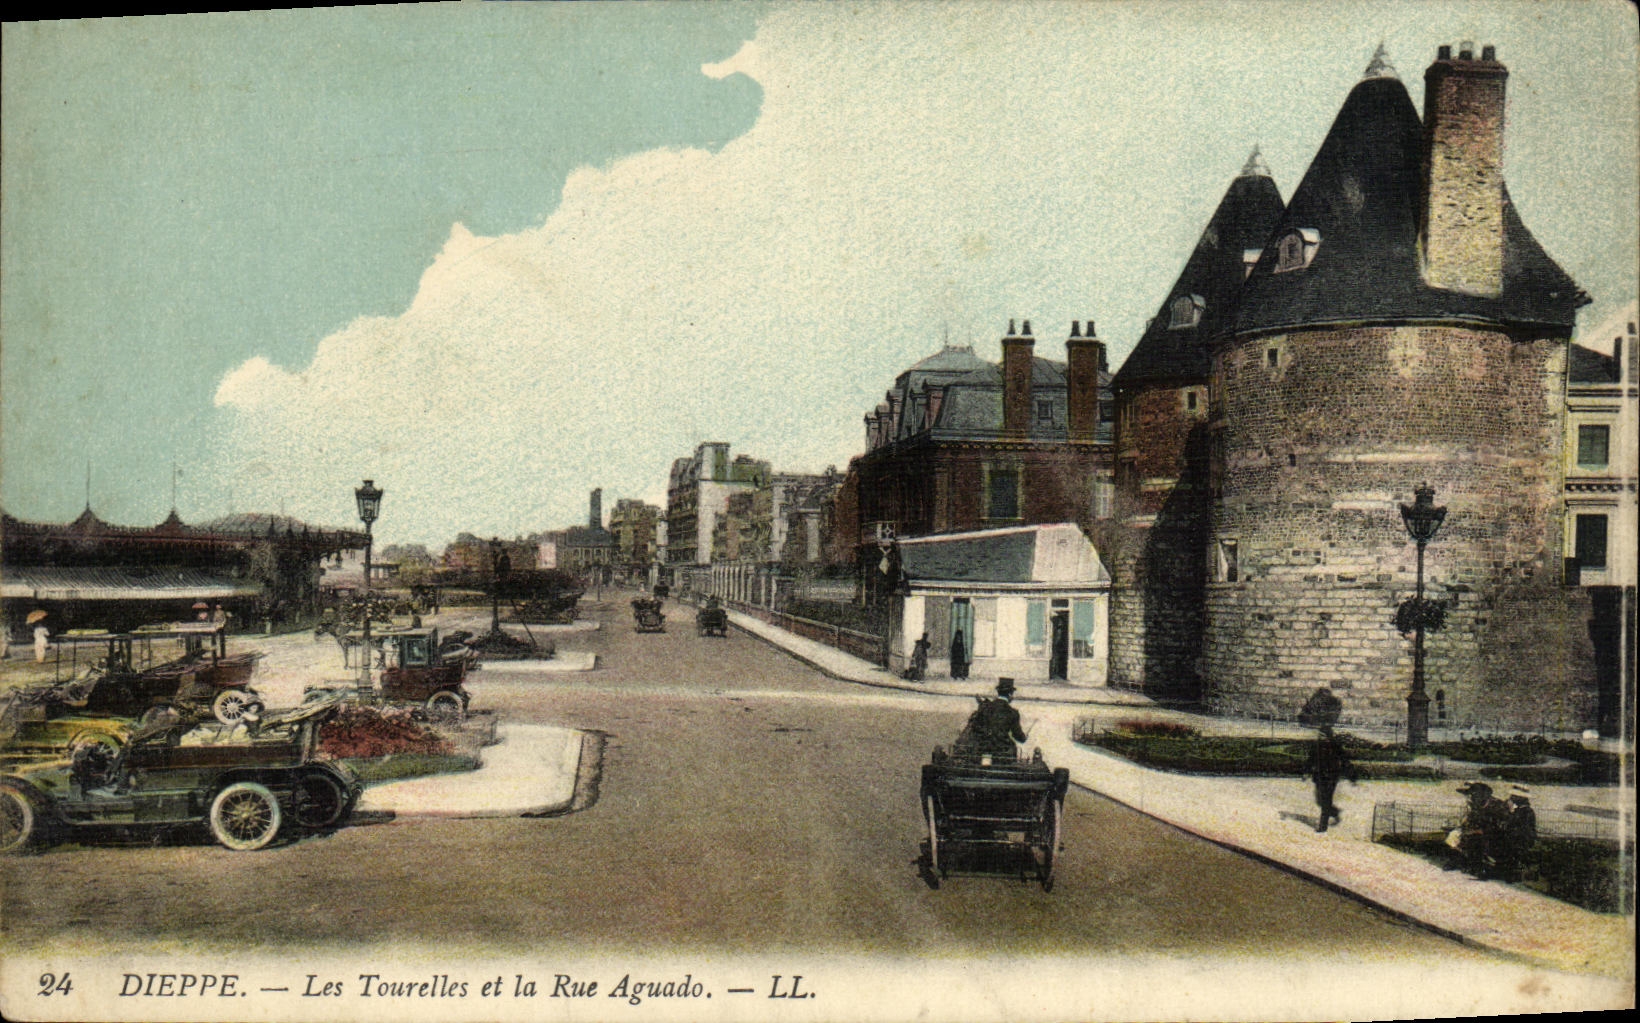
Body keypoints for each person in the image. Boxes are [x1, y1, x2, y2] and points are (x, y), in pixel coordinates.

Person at [956, 677, 1027, 761]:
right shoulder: (1013, 713)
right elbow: (1018, 735)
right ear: (1010, 694)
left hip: (982, 748)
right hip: (1002, 752)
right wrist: (1024, 738)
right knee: (1012, 749)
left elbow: (975, 727)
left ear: (998, 692)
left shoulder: (985, 707)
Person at [1305, 724, 1357, 832]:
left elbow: (1345, 762)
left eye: (1322, 735)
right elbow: (1311, 760)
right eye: (1319, 735)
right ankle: (1334, 812)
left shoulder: (1336, 746)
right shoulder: (1316, 746)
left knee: (1326, 800)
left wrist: (1352, 777)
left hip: (1331, 777)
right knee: (1319, 801)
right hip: (1319, 777)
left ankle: (1323, 827)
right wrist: (1306, 772)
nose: (1320, 737)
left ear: (1328, 736)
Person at [1454, 781, 1511, 879]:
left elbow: (1501, 827)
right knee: (1459, 836)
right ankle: (1468, 863)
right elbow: (1472, 821)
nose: (1470, 798)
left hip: (1499, 837)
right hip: (1483, 834)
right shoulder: (1476, 805)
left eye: (1473, 795)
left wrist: (1477, 831)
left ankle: (1484, 867)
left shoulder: (1498, 806)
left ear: (1481, 796)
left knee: (1477, 840)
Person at [1497, 785, 1538, 882]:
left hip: (1520, 840)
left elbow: (1515, 825)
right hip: (1520, 839)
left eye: (1513, 796)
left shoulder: (1524, 811)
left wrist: (1509, 812)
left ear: (1520, 798)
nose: (1510, 798)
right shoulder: (1524, 810)